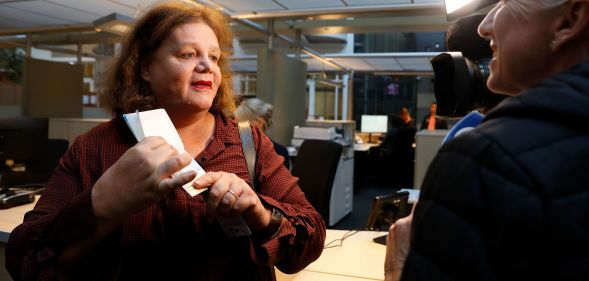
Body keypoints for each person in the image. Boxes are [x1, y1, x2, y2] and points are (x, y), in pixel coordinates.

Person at [5, 2, 326, 281]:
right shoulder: (95, 146)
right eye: (188, 54)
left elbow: (310, 241)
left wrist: (259, 212)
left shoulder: (248, 142)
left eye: (214, 58)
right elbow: (24, 258)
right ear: (144, 67)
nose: (207, 66)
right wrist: (101, 203)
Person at [386, 0, 589, 280]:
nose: (484, 25)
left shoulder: (483, 157)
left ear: (571, 18)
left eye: (506, 1)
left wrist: (399, 264)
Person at [235, 97, 290, 169]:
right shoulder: (235, 148)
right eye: (235, 124)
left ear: (260, 122)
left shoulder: (278, 152)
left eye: (242, 124)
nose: (237, 129)